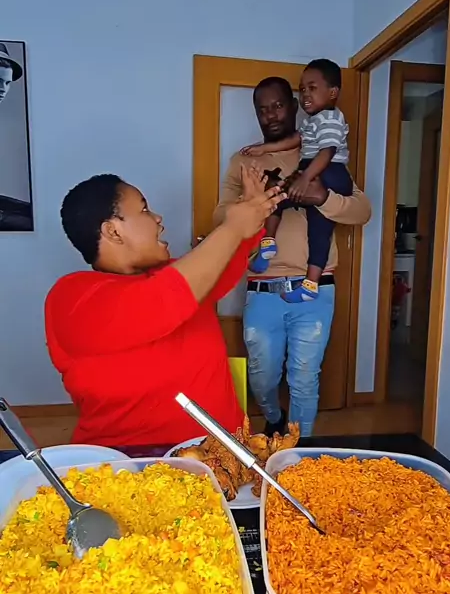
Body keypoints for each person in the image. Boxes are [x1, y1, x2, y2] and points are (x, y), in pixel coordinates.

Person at [45, 169, 285, 448]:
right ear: (113, 231)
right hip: (131, 463)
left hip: (222, 455)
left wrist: (252, 214)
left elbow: (220, 267)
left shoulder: (175, 276)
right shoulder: (72, 296)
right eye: (144, 209)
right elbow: (161, 301)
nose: (158, 218)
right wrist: (232, 227)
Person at [214, 76, 371, 437]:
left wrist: (323, 198)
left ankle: (298, 450)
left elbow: (362, 211)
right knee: (262, 375)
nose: (270, 115)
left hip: (316, 288)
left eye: (278, 105)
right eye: (262, 109)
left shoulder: (319, 149)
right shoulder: (244, 160)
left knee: (304, 377)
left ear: (295, 106)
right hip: (262, 288)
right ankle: (273, 417)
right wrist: (253, 202)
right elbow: (219, 215)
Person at [241, 59, 352, 303]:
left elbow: (328, 152)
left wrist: (308, 180)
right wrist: (264, 149)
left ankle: (304, 278)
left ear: (333, 93)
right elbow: (297, 140)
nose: (306, 95)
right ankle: (271, 248)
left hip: (329, 173)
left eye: (312, 88)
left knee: (315, 227)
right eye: (302, 89)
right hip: (314, 170)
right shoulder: (313, 121)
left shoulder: (331, 118)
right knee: (279, 198)